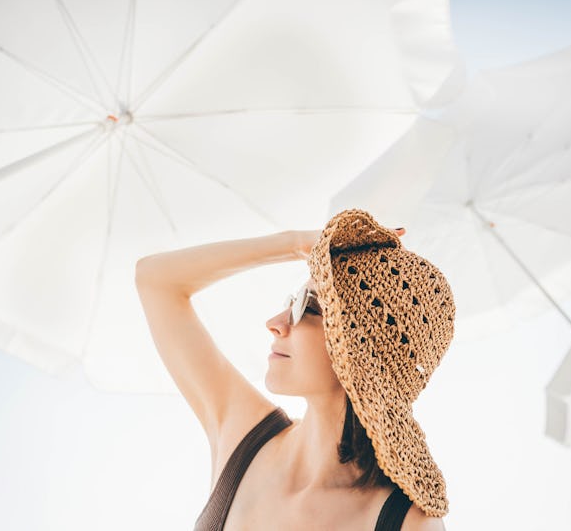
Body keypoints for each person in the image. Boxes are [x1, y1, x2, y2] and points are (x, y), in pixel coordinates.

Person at [135, 209, 454, 530]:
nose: (275, 324)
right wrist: (295, 244)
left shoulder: (404, 520)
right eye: (292, 300)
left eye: (309, 306)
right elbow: (155, 280)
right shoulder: (245, 436)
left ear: (363, 350)